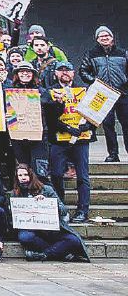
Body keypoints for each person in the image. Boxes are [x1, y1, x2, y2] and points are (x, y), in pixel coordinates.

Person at [44, 60, 94, 222]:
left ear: (73, 73)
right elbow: (50, 117)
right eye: (61, 70)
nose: (64, 73)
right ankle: (61, 208)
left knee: (83, 177)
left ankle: (82, 211)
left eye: (68, 70)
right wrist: (66, 127)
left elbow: (96, 113)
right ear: (55, 73)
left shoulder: (84, 90)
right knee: (57, 174)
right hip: (59, 140)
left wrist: (87, 126)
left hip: (81, 140)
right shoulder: (50, 91)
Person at [12, 164, 89, 262]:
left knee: (74, 240)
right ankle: (60, 254)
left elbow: (63, 210)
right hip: (32, 230)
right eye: (20, 175)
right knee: (25, 237)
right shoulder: (15, 193)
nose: (23, 178)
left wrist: (48, 202)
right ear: (17, 178)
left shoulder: (46, 189)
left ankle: (43, 255)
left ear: (31, 175)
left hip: (51, 229)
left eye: (25, 175)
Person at [77, 26, 127, 161]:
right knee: (108, 126)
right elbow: (83, 71)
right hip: (103, 95)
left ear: (112, 38)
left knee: (126, 124)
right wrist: (95, 82)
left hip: (123, 94)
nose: (105, 38)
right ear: (97, 39)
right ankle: (113, 154)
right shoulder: (91, 54)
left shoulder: (123, 53)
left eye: (107, 36)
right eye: (101, 36)